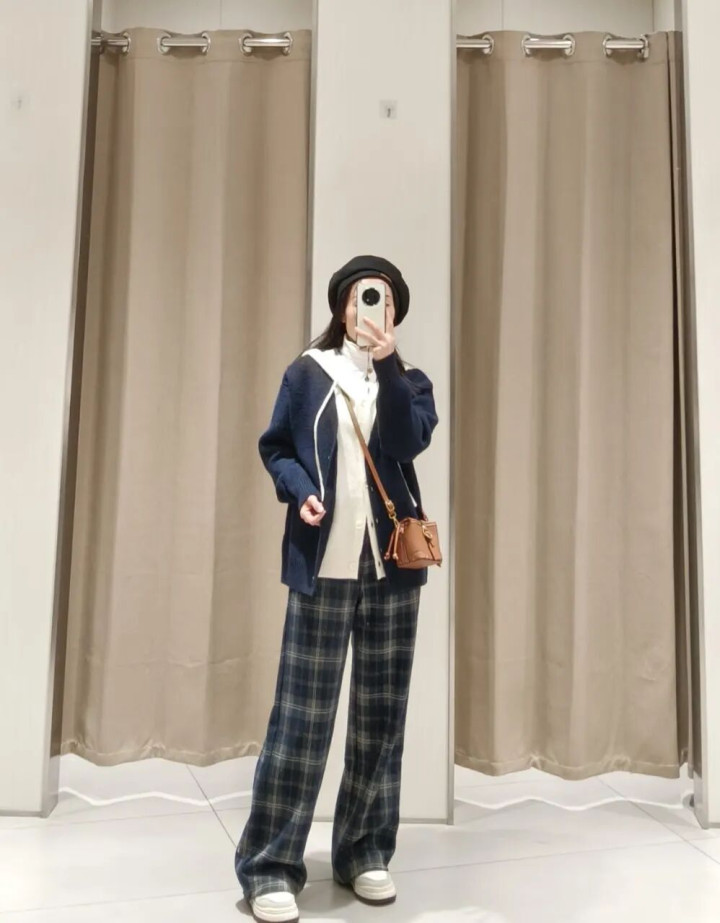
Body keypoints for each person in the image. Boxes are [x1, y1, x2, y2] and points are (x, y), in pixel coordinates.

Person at [234, 254, 439, 923]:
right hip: (322, 567)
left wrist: (389, 364)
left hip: (392, 571)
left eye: (381, 300)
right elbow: (276, 448)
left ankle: (364, 851)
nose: (368, 310)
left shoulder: (411, 383)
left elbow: (407, 444)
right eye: (359, 298)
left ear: (394, 312)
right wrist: (299, 492)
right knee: (300, 719)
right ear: (340, 307)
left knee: (381, 718)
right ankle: (270, 865)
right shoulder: (307, 372)